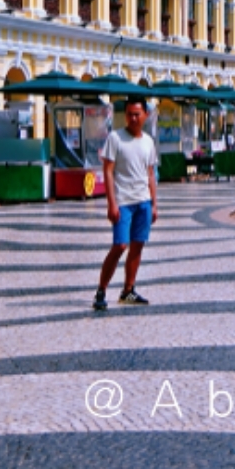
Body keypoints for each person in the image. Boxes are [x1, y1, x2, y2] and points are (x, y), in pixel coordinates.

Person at [95, 96, 158, 310]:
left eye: (137, 114)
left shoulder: (148, 141)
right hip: (123, 202)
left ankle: (128, 290)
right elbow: (108, 170)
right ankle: (102, 289)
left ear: (145, 115)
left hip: (143, 201)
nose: (132, 118)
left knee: (137, 245)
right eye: (129, 114)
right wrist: (111, 204)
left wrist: (154, 203)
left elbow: (150, 174)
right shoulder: (115, 138)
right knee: (120, 245)